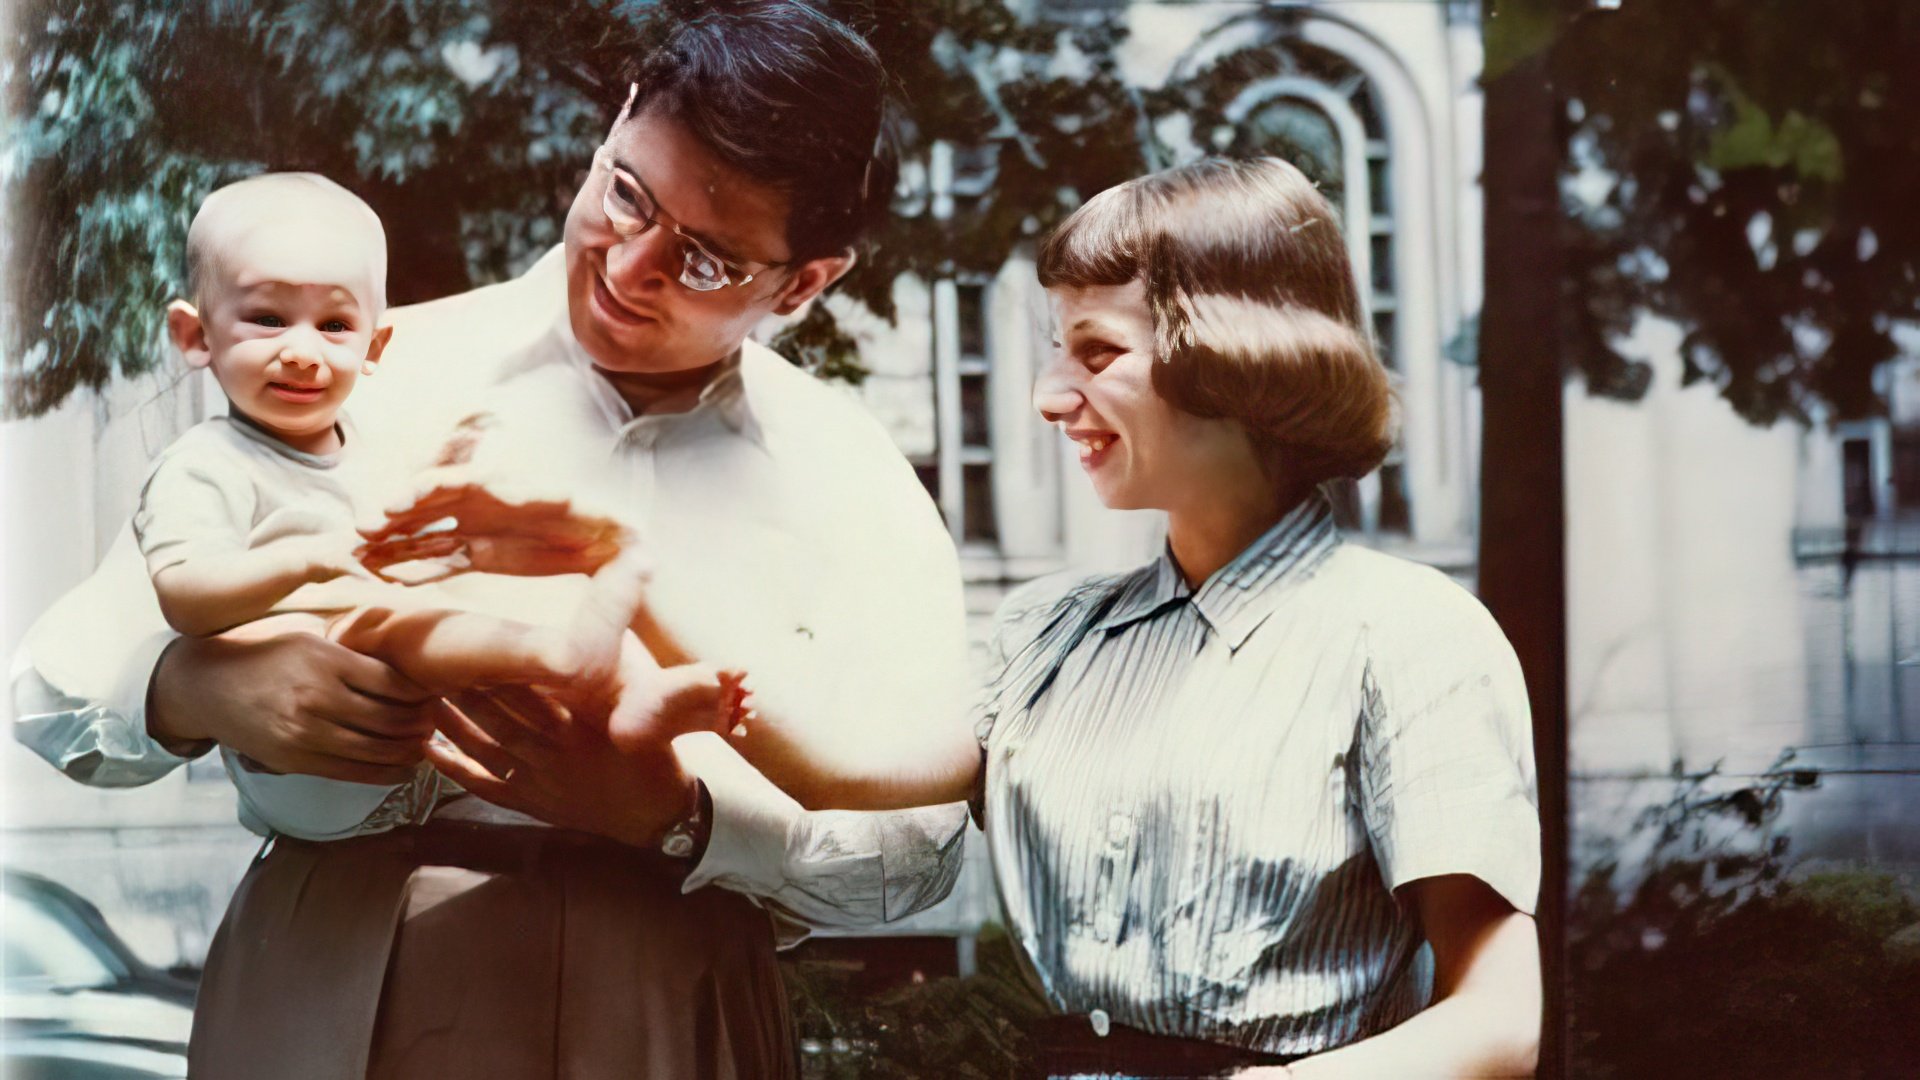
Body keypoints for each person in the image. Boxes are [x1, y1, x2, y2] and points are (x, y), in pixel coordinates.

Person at [12, 5, 974, 1078]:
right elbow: (54, 688)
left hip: (671, 981)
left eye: (704, 261)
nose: (631, 265)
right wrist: (197, 691)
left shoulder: (850, 473)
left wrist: (680, 820)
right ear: (615, 122)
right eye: (627, 195)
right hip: (338, 964)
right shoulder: (359, 367)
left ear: (805, 283)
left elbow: (919, 850)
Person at [701, 157, 1544, 1078]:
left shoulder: (1412, 637)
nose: (1050, 396)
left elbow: (1498, 1023)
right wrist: (639, 623)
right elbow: (847, 777)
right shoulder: (1046, 632)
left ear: (1232, 354)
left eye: (1096, 352)